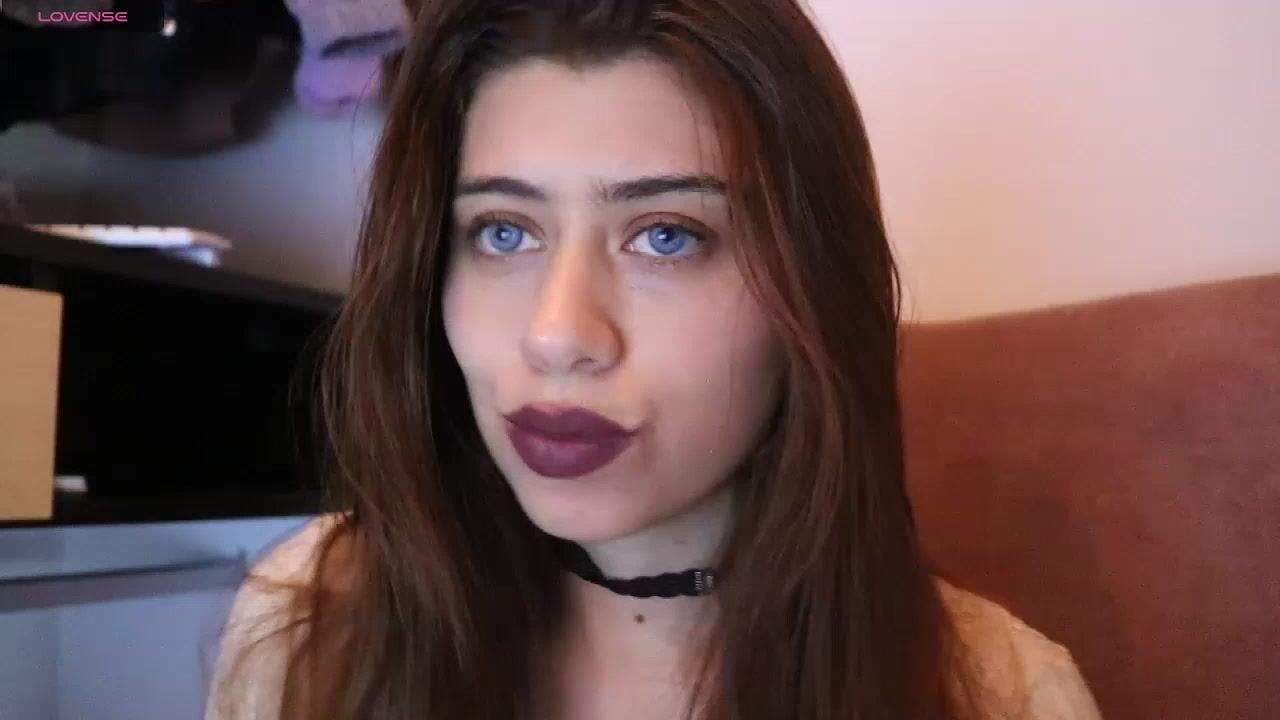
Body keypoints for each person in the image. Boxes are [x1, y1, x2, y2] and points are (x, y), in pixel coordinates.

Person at [205, 1, 1103, 718]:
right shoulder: (305, 624)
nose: (556, 334)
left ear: (814, 292)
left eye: (667, 235)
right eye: (504, 231)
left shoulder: (1005, 694)